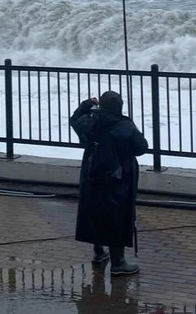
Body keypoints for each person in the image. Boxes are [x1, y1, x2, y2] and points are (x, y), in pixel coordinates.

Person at [69, 90, 148, 275]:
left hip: (93, 174)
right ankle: (118, 263)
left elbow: (75, 118)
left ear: (102, 105)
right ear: (119, 106)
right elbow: (141, 148)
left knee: (96, 211)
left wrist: (88, 104)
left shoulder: (89, 122)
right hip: (118, 178)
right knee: (116, 215)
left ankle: (98, 252)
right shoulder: (124, 126)